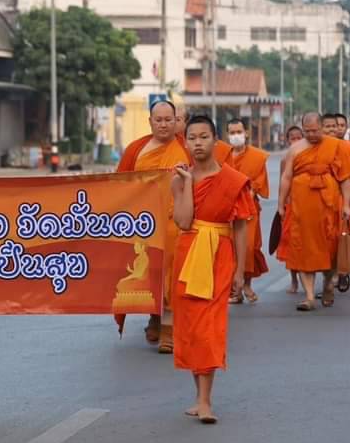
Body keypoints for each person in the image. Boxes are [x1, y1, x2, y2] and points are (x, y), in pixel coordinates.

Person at [170, 115, 254, 425]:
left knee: (209, 327)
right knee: (192, 327)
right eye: (192, 138)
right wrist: (189, 183)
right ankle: (198, 396)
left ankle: (205, 400)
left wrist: (240, 271)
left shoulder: (233, 181)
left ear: (215, 140)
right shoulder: (179, 179)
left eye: (204, 137)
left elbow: (241, 228)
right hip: (188, 254)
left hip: (219, 255)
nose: (198, 143)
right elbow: (182, 221)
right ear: (186, 141)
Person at [113, 99, 191, 352]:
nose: (164, 125)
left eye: (169, 120)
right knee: (148, 276)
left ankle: (169, 328)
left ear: (176, 121)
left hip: (173, 223)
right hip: (143, 224)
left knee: (170, 274)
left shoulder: (186, 148)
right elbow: (118, 185)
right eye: (159, 120)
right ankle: (155, 317)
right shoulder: (136, 150)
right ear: (150, 122)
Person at [277, 112, 350, 311]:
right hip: (301, 206)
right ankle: (310, 297)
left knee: (330, 248)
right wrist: (280, 203)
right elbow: (286, 177)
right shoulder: (295, 149)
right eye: (307, 131)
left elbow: (345, 178)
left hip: (328, 205)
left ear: (322, 127)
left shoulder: (336, 146)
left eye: (315, 130)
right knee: (303, 248)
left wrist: (346, 204)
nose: (312, 134)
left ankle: (329, 283)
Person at [217, 118, 269, 303]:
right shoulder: (222, 157)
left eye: (239, 132)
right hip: (226, 209)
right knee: (229, 249)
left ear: (246, 133)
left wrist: (243, 197)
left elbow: (258, 184)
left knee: (248, 247)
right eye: (232, 133)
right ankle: (234, 290)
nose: (236, 136)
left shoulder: (257, 157)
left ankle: (246, 284)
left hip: (248, 208)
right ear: (227, 135)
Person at [324, 114, 350, 293]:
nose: (336, 129)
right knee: (325, 241)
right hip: (324, 200)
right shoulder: (317, 148)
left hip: (343, 199)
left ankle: (341, 273)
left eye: (340, 125)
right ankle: (327, 278)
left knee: (341, 238)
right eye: (332, 126)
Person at [277, 125, 305, 295]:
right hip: (291, 205)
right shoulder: (285, 159)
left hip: (308, 204)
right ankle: (294, 280)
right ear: (287, 140)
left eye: (298, 137)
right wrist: (282, 205)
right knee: (290, 243)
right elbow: (283, 182)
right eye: (292, 138)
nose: (295, 140)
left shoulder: (311, 155)